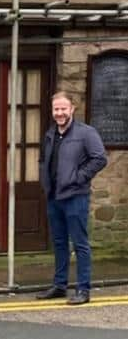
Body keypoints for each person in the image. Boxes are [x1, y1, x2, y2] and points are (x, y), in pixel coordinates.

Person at [36, 91, 107, 305]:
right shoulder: (50, 134)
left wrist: (79, 177)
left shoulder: (86, 133)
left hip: (76, 196)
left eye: (63, 109)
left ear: (72, 109)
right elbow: (43, 160)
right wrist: (45, 182)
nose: (59, 113)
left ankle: (83, 290)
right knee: (59, 243)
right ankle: (60, 285)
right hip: (54, 196)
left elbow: (100, 158)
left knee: (80, 244)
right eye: (56, 109)